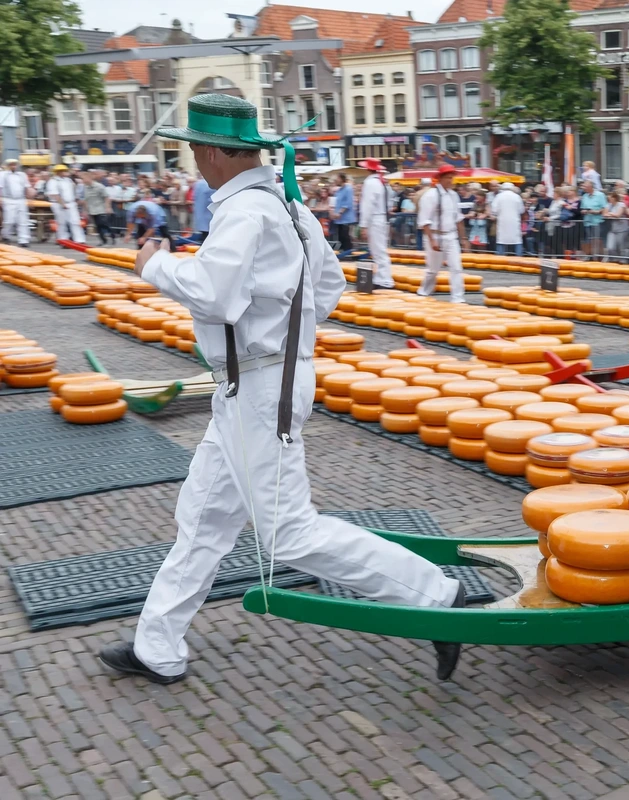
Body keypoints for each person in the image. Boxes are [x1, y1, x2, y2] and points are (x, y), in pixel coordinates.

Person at [99, 93, 465, 685]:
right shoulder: (287, 207)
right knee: (204, 517)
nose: (191, 155)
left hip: (259, 386)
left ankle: (433, 595)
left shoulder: (246, 212)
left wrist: (154, 265)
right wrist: (286, 331)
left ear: (217, 153)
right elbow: (330, 284)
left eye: (195, 145)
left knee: (288, 532)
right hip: (258, 381)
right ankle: (157, 645)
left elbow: (215, 295)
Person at [417, 164, 467, 303]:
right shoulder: (430, 195)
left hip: (451, 235)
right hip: (436, 235)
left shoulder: (454, 195)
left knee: (456, 267)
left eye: (452, 178)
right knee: (433, 269)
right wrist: (432, 240)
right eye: (448, 178)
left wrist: (463, 238)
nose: (451, 181)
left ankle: (458, 297)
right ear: (440, 178)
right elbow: (424, 220)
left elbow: (458, 218)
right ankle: (424, 291)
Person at [358, 159, 394, 288]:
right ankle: (381, 278)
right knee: (379, 249)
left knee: (378, 250)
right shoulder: (383, 183)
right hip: (382, 217)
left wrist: (363, 225)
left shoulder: (370, 183)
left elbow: (367, 205)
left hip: (375, 218)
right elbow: (390, 203)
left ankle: (385, 279)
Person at [46, 164, 86, 244]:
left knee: (75, 222)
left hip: (71, 203)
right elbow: (54, 194)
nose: (66, 172)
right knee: (62, 223)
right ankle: (64, 240)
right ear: (59, 172)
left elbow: (73, 190)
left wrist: (75, 199)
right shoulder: (53, 181)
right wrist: (62, 204)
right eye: (63, 171)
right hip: (59, 204)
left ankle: (79, 239)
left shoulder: (68, 180)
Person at [1, 159, 32, 245]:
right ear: (8, 166)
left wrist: (29, 198)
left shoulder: (22, 175)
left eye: (14, 165)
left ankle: (24, 240)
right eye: (11, 165)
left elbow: (27, 187)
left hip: (21, 199)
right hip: (8, 199)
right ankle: (6, 235)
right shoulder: (3, 175)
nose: (13, 166)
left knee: (23, 220)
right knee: (9, 220)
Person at [492, 182, 524, 257]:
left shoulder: (498, 197)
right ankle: (519, 257)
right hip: (514, 221)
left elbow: (494, 210)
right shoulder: (517, 197)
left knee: (501, 240)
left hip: (503, 221)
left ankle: (500, 258)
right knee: (517, 240)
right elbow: (521, 210)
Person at [81, 172, 113, 245]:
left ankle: (112, 235)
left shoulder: (99, 186)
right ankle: (103, 240)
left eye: (84, 178)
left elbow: (106, 197)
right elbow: (85, 199)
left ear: (89, 178)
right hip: (92, 210)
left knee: (103, 224)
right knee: (97, 226)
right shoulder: (85, 187)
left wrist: (108, 207)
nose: (83, 180)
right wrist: (85, 210)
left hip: (100, 208)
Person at [579, 179, 607, 260]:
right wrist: (584, 211)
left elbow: (604, 207)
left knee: (597, 239)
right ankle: (590, 255)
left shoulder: (600, 195)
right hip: (587, 221)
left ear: (590, 187)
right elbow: (582, 208)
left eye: (585, 187)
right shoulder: (584, 196)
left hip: (597, 221)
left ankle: (598, 256)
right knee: (589, 239)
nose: (584, 188)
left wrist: (597, 211)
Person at [331, 173, 356, 253]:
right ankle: (343, 251)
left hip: (345, 217)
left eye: (337, 178)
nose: (335, 180)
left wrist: (340, 212)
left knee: (345, 235)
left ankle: (348, 251)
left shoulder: (348, 189)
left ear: (341, 179)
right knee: (340, 236)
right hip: (339, 218)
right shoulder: (339, 190)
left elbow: (348, 203)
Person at [191, 176, 214, 243]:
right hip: (209, 212)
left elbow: (194, 196)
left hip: (200, 212)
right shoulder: (211, 183)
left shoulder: (198, 184)